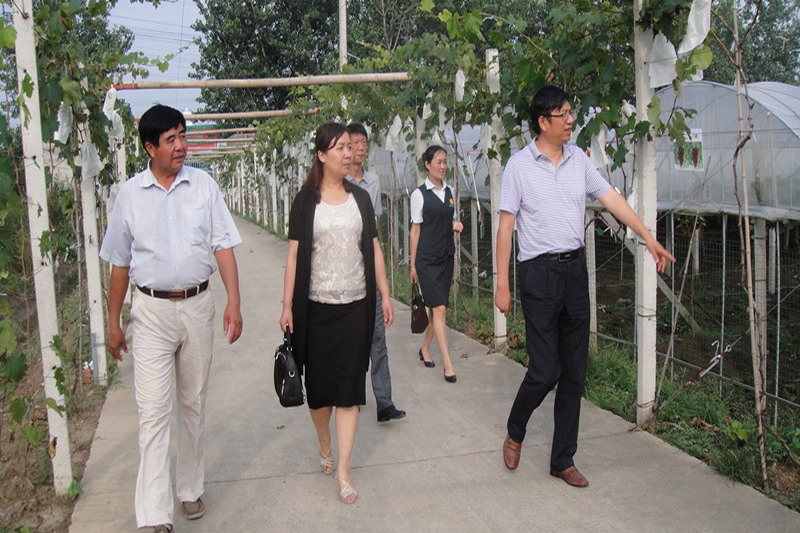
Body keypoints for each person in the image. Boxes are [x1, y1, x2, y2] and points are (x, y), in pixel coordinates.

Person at [495, 85, 675, 487]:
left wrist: (648, 237)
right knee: (545, 371)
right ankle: (516, 429)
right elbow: (506, 228)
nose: (571, 120)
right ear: (543, 122)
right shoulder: (518, 166)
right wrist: (502, 285)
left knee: (574, 372)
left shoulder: (578, 159)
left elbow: (612, 199)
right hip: (538, 275)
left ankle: (562, 460)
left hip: (574, 272)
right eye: (564, 114)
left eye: (571, 112)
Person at [100, 104, 243, 532]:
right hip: (151, 312)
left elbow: (222, 245)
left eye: (183, 135)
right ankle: (154, 514)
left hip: (198, 305)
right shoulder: (130, 195)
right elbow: (119, 262)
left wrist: (234, 302)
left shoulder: (203, 186)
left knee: (193, 403)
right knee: (153, 411)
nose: (181, 146)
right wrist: (113, 322)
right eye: (171, 139)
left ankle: (190, 488)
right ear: (150, 147)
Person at [279, 122, 394, 505]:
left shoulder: (360, 198)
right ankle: (323, 441)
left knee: (349, 391)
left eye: (350, 146)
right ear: (321, 155)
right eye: (340, 148)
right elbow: (294, 256)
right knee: (318, 395)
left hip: (356, 307)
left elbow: (373, 248)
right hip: (315, 309)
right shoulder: (305, 201)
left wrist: (385, 294)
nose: (348, 153)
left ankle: (344, 470)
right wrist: (286, 306)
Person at [345, 123, 406, 423]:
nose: (360, 147)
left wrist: (384, 288)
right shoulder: (338, 182)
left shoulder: (372, 181)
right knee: (352, 339)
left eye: (363, 142)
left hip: (368, 265)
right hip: (345, 269)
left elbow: (374, 231)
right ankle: (352, 393)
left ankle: (384, 402)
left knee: (378, 338)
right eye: (354, 142)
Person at [410, 145, 464, 383]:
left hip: (446, 257)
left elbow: (447, 219)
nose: (443, 166)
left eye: (445, 162)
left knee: (437, 308)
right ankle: (448, 364)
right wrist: (413, 265)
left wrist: (455, 225)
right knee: (439, 308)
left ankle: (425, 348)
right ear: (427, 164)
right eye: (438, 162)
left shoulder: (449, 191)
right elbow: (416, 229)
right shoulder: (419, 194)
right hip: (427, 259)